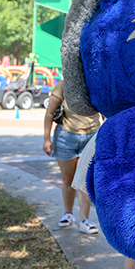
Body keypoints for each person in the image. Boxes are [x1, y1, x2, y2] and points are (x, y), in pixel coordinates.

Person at [43, 80, 101, 234]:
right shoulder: (64, 85)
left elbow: (105, 112)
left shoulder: (96, 83)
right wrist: (46, 139)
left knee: (84, 181)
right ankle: (68, 214)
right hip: (65, 137)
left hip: (91, 136)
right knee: (68, 179)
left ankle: (84, 220)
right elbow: (49, 112)